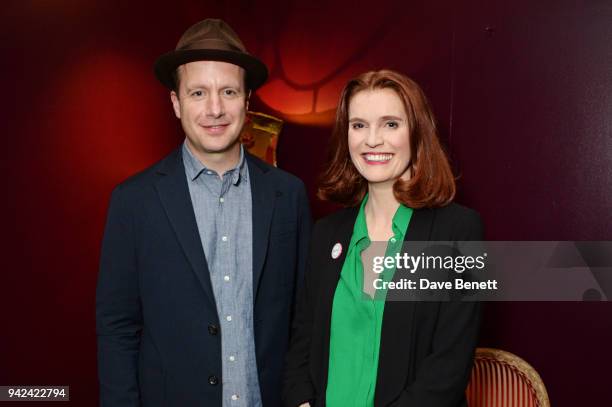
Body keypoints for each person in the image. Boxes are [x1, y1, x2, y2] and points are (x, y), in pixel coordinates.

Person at [96, 19, 311, 407]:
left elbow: (303, 319)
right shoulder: (134, 201)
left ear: (247, 101)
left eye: (228, 91)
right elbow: (117, 328)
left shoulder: (288, 194)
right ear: (176, 103)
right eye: (198, 92)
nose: (215, 109)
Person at [283, 70, 482, 407]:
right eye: (359, 125)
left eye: (391, 124)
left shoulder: (458, 230)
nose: (372, 139)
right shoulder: (326, 233)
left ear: (417, 134)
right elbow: (302, 341)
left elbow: (448, 366)